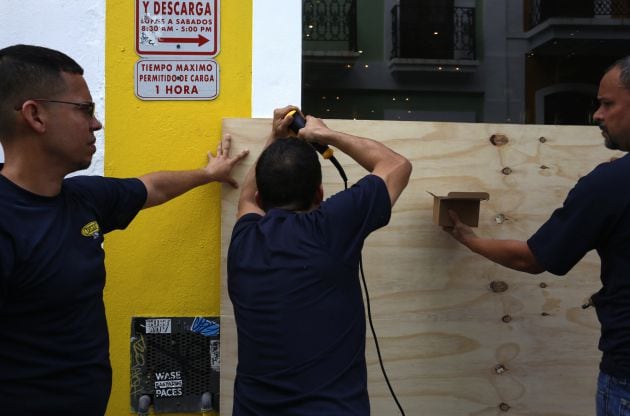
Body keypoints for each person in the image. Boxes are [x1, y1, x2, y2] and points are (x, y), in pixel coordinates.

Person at [0, 44, 248, 415]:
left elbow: (152, 187)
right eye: (85, 110)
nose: (96, 123)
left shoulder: (82, 199)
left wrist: (208, 174)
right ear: (35, 115)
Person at [443, 55, 630, 416]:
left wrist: (468, 238)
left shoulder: (611, 184)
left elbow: (530, 258)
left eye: (608, 104)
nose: (597, 115)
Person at [227, 105, 412, 415]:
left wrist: (274, 138)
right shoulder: (332, 228)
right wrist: (324, 134)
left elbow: (246, 197)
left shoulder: (245, 241)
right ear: (319, 194)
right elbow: (396, 165)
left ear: (261, 199)